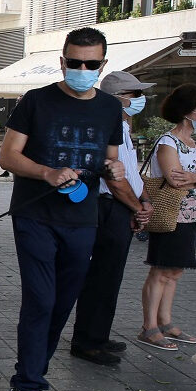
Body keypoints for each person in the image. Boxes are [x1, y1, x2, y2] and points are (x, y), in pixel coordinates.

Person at [0, 27, 126, 391]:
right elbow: (9, 156)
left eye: (91, 64)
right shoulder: (36, 102)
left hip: (82, 219)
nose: (83, 70)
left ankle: (25, 378)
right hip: (34, 216)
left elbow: (109, 157)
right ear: (63, 62)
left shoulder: (110, 109)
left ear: (102, 66)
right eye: (75, 63)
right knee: (41, 299)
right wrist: (47, 172)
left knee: (62, 304)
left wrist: (116, 170)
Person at [71, 72, 154, 366]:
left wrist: (143, 200)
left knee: (111, 276)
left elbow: (131, 173)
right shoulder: (105, 126)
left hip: (121, 206)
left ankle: (98, 335)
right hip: (106, 205)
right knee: (102, 276)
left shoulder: (122, 127)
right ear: (119, 97)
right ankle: (87, 341)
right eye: (134, 94)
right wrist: (137, 206)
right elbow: (115, 180)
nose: (140, 100)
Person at [139, 83, 196, 351]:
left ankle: (165, 321)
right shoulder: (168, 142)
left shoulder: (193, 143)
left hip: (191, 216)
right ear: (187, 111)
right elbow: (174, 178)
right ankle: (149, 326)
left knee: (175, 271)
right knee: (160, 270)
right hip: (170, 214)